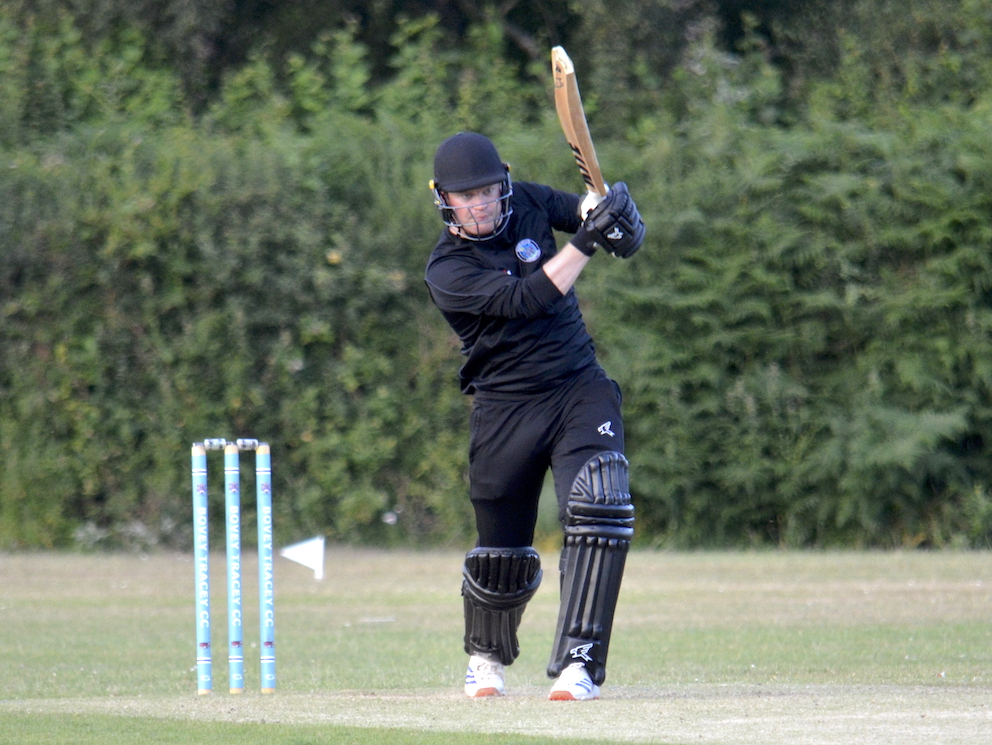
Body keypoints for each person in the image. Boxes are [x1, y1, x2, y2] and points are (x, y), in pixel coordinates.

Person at [424, 132, 645, 701]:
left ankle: (581, 663)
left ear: (504, 182)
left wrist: (609, 213)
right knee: (502, 556)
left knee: (600, 499)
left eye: (488, 192)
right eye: (464, 197)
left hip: (576, 386)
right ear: (444, 200)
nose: (479, 206)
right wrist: (589, 243)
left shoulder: (523, 199)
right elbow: (527, 299)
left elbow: (579, 211)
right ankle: (486, 657)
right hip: (504, 406)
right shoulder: (447, 270)